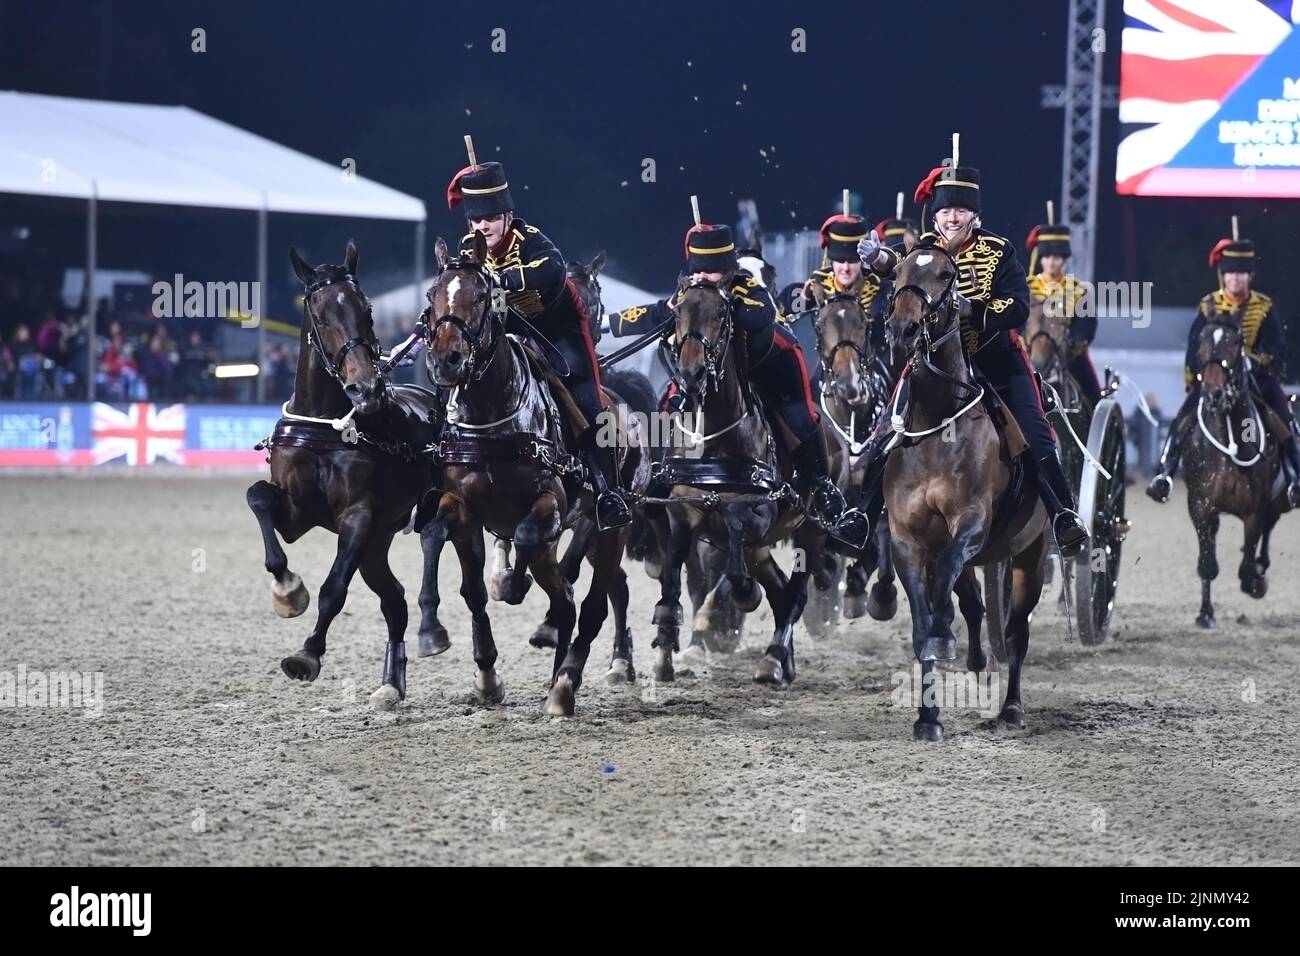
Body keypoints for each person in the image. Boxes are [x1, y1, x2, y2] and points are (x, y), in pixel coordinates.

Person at [852, 156, 1091, 558]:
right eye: (944, 210)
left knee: (1035, 431)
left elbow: (1017, 306)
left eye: (959, 210)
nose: (950, 218)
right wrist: (877, 259)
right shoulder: (925, 250)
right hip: (935, 367)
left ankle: (1063, 514)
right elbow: (900, 265)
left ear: (974, 216)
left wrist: (973, 312)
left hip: (995, 359)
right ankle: (860, 516)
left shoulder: (1000, 251)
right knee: (888, 430)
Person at [608, 222, 870, 549]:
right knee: (668, 405)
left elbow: (761, 315)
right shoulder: (689, 294)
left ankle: (822, 489)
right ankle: (661, 475)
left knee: (802, 417)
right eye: (698, 271)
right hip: (718, 374)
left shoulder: (747, 289)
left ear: (729, 271)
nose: (703, 277)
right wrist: (607, 324)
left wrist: (721, 304)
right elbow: (656, 312)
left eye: (712, 271)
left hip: (770, 365)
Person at [446, 160, 630, 530]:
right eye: (476, 220)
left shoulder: (532, 241)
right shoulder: (471, 247)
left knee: (589, 403)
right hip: (511, 325)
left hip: (561, 328)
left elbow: (553, 271)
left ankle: (607, 491)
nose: (482, 226)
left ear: (508, 216)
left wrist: (501, 278)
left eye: (491, 218)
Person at [1147, 234, 1300, 506]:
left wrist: (1255, 360)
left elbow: (1277, 347)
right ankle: (1165, 474)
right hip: (1213, 378)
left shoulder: (1263, 307)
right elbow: (1194, 347)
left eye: (1241, 274)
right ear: (1223, 276)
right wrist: (1196, 376)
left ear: (1250, 276)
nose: (1236, 279)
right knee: (1181, 420)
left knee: (1285, 421)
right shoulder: (1209, 305)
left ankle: (1295, 477)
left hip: (1256, 379)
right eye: (1231, 274)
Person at [1025, 220, 1100, 408]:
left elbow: (1085, 326)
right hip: (1028, 352)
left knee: (1092, 392)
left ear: (1065, 260)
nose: (1052, 261)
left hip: (1068, 355)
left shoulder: (1078, 290)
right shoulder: (1025, 288)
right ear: (1041, 258)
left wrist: (1070, 346)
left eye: (1057, 257)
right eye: (1048, 256)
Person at [801, 213, 888, 355]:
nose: (846, 268)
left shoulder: (879, 289)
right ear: (831, 261)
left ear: (861, 261)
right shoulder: (814, 287)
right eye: (840, 260)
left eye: (853, 261)